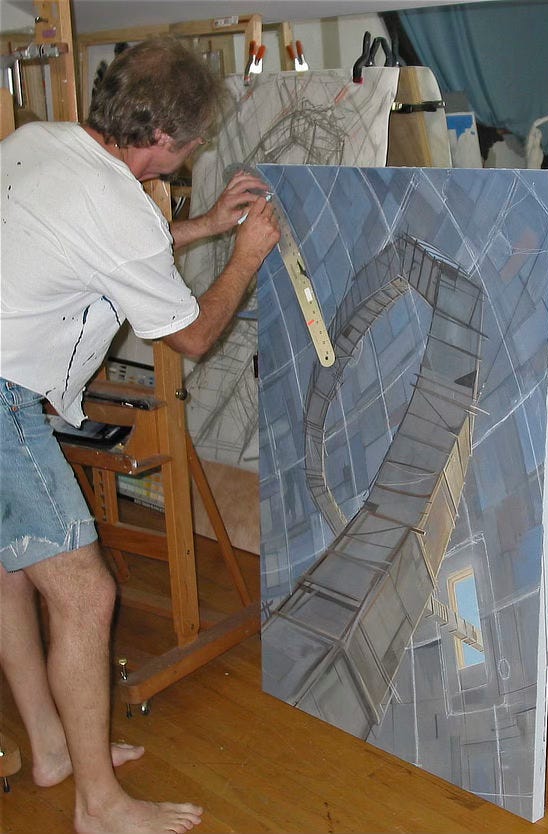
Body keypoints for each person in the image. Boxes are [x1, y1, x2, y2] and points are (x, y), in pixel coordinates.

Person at [1, 38, 278, 834]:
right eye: (190, 145)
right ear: (162, 140)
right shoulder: (119, 205)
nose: (190, 156)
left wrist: (207, 228)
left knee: (14, 574)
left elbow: (100, 247)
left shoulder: (37, 141)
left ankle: (55, 751)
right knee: (87, 594)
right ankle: (101, 805)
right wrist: (248, 257)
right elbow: (190, 335)